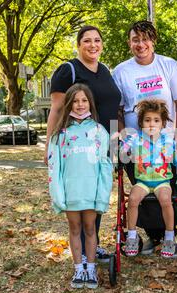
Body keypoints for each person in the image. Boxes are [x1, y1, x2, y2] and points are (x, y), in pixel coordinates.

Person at [112, 20, 177, 254]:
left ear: (153, 40)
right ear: (129, 43)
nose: (141, 44)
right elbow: (118, 110)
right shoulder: (121, 71)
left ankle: (169, 237)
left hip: (166, 145)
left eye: (145, 38)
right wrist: (123, 140)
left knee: (167, 194)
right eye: (135, 39)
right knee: (141, 194)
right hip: (137, 147)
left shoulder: (168, 65)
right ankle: (151, 236)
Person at [47, 25, 121, 263]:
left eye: (97, 40)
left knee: (97, 190)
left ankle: (93, 244)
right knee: (83, 194)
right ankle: (86, 251)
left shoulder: (106, 70)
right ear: (78, 45)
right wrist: (50, 145)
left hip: (104, 140)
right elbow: (57, 109)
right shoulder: (68, 70)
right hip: (80, 144)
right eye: (87, 41)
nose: (93, 45)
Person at [47, 83, 113, 289]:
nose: (80, 104)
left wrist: (102, 195)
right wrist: (58, 195)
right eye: (75, 101)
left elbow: (105, 166)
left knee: (90, 228)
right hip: (70, 193)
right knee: (74, 228)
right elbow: (54, 168)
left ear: (90, 103)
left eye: (84, 100)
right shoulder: (60, 134)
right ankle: (78, 269)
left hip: (91, 193)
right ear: (69, 104)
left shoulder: (99, 131)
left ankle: (91, 268)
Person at [120, 99, 177, 258]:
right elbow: (124, 151)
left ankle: (169, 237)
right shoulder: (135, 139)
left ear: (162, 123)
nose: (151, 124)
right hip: (142, 181)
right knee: (133, 199)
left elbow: (176, 162)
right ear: (141, 122)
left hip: (162, 181)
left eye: (156, 120)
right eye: (147, 120)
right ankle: (132, 236)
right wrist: (123, 148)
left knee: (165, 199)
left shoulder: (167, 140)